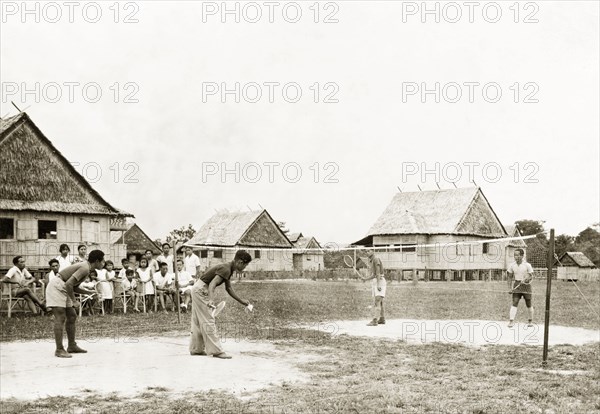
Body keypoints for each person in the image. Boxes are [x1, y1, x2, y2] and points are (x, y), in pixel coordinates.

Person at [189, 250, 253, 359]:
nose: (245, 267)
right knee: (208, 320)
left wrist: (242, 301)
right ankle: (216, 351)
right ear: (240, 262)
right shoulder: (226, 269)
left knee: (197, 320)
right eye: (245, 265)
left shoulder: (228, 268)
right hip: (201, 290)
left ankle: (196, 349)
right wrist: (211, 299)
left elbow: (228, 289)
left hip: (196, 288)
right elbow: (212, 284)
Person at [45, 249, 106, 358]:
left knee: (72, 315)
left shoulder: (86, 268)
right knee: (60, 317)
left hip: (63, 286)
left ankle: (72, 345)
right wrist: (74, 301)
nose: (104, 263)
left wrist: (90, 292)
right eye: (103, 260)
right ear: (97, 261)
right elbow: (69, 284)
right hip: (57, 286)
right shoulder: (85, 267)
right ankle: (59, 349)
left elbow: (73, 286)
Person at [507, 248, 534, 327]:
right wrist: (509, 288)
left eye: (518, 255)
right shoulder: (512, 265)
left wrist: (526, 279)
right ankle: (511, 321)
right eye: (515, 255)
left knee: (528, 303)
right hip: (517, 284)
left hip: (526, 286)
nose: (516, 257)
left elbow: (531, 276)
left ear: (522, 256)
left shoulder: (527, 265)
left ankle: (530, 321)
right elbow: (509, 277)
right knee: (514, 302)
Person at [361, 249, 386, 326]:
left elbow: (378, 273)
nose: (367, 252)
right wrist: (365, 279)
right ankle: (382, 319)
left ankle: (375, 320)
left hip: (380, 281)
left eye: (368, 251)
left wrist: (378, 284)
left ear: (373, 251)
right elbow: (374, 275)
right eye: (366, 251)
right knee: (380, 301)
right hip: (377, 281)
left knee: (377, 301)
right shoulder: (372, 261)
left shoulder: (376, 259)